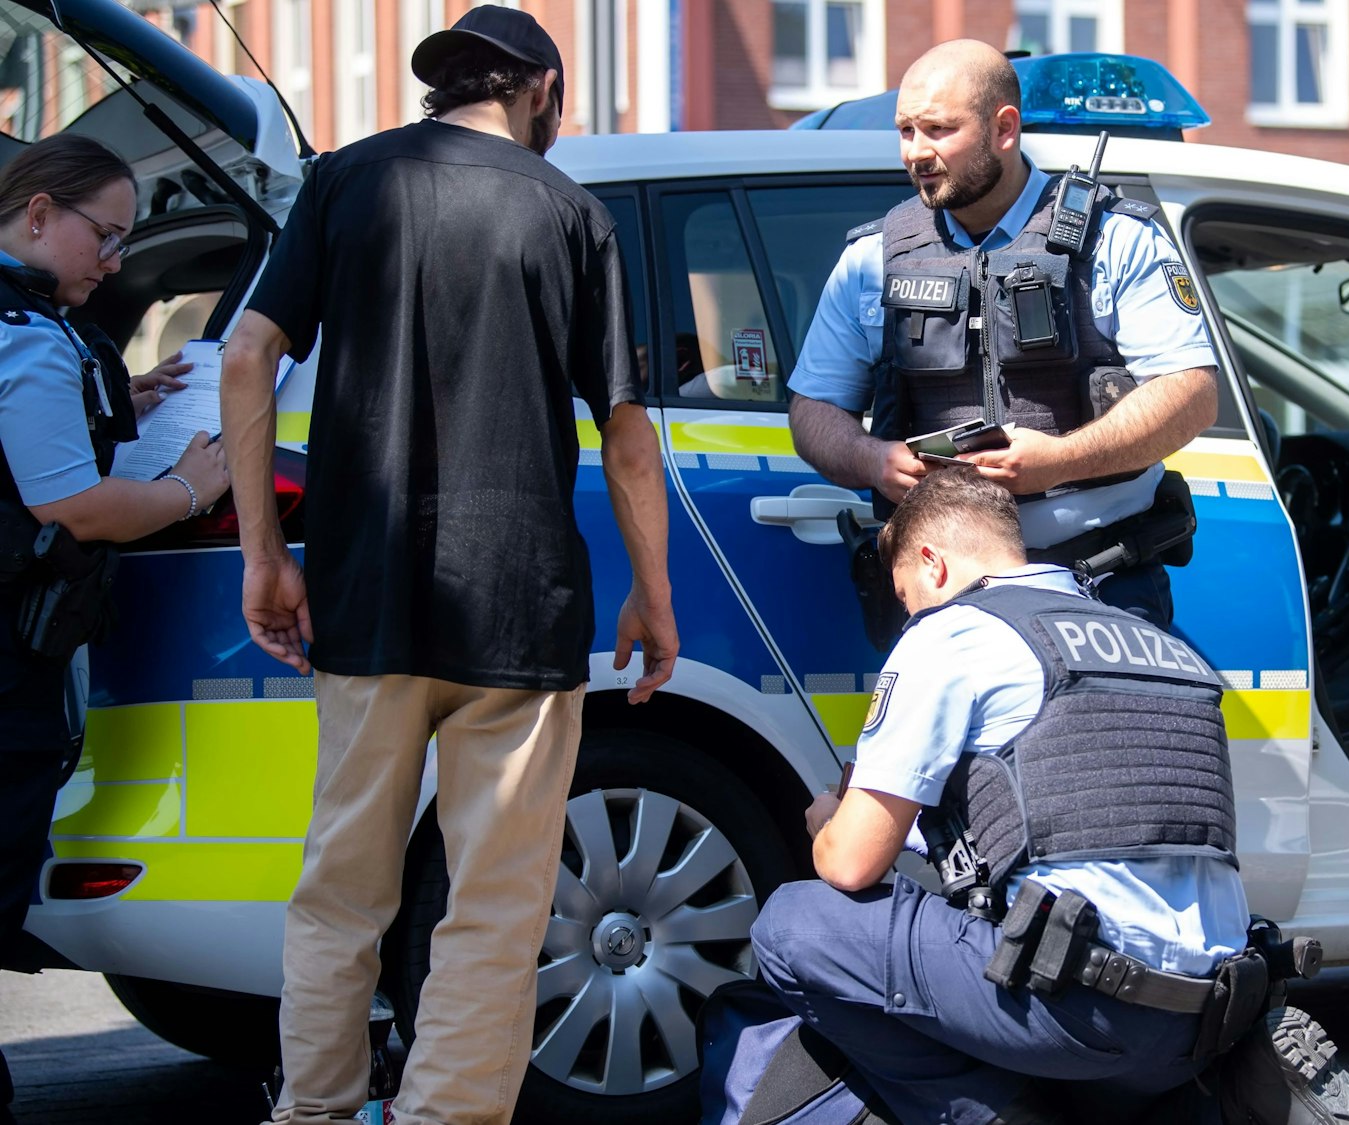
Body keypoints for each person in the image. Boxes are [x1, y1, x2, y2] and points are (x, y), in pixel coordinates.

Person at [217, 8, 677, 1124]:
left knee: (340, 892)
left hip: (365, 590)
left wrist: (266, 556)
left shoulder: (344, 184)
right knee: (496, 903)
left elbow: (246, 356)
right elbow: (622, 430)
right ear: (540, 90)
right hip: (519, 608)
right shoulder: (570, 212)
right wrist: (652, 596)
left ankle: (314, 1111)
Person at [748, 468, 1250, 1125]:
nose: (910, 615)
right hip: (1208, 1023)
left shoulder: (952, 633)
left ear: (931, 562)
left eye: (906, 597)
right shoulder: (1160, 643)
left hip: (1083, 1011)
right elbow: (1062, 811)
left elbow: (850, 862)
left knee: (794, 924)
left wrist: (828, 821)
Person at [788, 40, 1219, 627]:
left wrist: (1061, 460)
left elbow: (1191, 393)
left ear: (1004, 129)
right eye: (906, 131)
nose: (916, 152)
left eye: (938, 129)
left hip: (1099, 579)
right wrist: (872, 460)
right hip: (938, 588)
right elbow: (812, 409)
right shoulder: (873, 258)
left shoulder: (1115, 238)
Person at [0, 134, 227, 1125]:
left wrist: (119, 397)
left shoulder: (31, 331)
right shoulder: (27, 334)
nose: (114, 261)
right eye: (107, 234)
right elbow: (74, 509)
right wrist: (188, 489)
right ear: (39, 213)